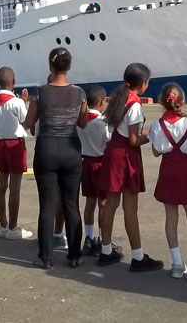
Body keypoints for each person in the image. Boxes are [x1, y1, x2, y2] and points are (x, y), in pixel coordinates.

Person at [23, 48, 88, 269]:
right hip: (70, 150)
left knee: (47, 205)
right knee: (72, 204)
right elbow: (82, 123)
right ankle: (74, 255)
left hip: (47, 149)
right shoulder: (79, 93)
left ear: (50, 67)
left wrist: (30, 106)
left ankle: (46, 256)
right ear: (69, 66)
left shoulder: (40, 92)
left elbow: (29, 123)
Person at [97, 63, 164, 272]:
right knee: (130, 207)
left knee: (110, 203)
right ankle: (137, 255)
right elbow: (134, 140)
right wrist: (153, 134)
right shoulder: (135, 105)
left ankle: (106, 250)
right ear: (143, 85)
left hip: (112, 153)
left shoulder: (118, 98)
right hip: (126, 156)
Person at [149, 83, 187, 282]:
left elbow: (156, 151)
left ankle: (176, 264)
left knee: (171, 218)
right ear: (182, 102)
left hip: (168, 171)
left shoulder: (157, 125)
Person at [0, 67, 33, 240]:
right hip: (15, 144)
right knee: (15, 186)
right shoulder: (16, 102)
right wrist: (25, 102)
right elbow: (25, 123)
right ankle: (13, 227)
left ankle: (3, 224)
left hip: (0, 143)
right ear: (13, 82)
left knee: (2, 184)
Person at [77, 85, 110, 256]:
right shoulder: (102, 123)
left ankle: (88, 238)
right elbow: (108, 142)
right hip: (101, 164)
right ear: (101, 102)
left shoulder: (80, 122)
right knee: (103, 203)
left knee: (89, 203)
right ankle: (103, 239)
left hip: (86, 163)